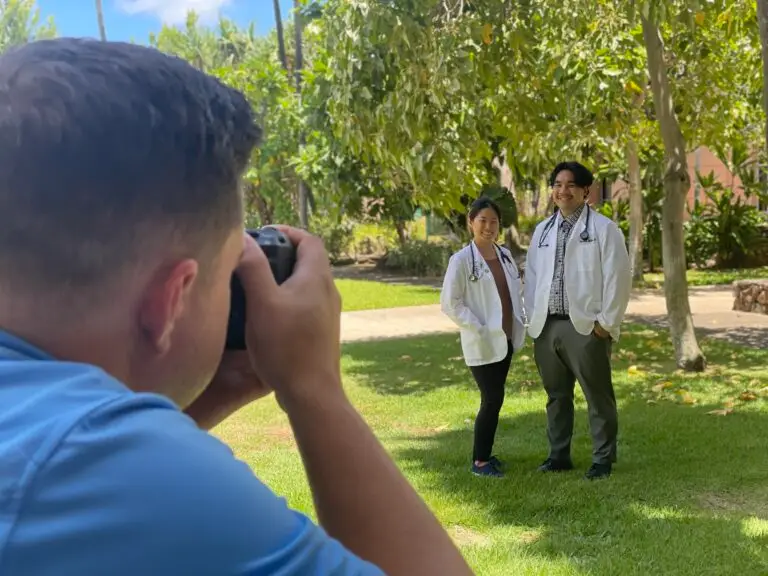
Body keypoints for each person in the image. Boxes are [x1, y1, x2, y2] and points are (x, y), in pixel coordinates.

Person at [0, 38, 474, 575]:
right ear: (171, 299)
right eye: (231, 269)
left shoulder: (54, 454)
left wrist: (213, 392)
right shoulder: (105, 465)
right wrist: (314, 388)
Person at [524, 161, 631, 480]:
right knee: (556, 397)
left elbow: (619, 279)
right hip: (547, 326)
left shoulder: (604, 230)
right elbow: (532, 278)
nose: (563, 191)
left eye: (571, 185)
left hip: (586, 328)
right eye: (557, 185)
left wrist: (606, 324)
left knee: (597, 396)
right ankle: (558, 456)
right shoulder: (542, 231)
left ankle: (602, 460)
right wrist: (533, 319)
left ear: (586, 190)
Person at [440, 197, 526, 478]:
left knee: (495, 399)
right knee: (491, 398)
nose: (489, 227)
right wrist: (478, 327)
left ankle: (486, 456)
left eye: (494, 222)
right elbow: (450, 303)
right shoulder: (461, 260)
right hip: (482, 340)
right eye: (483, 221)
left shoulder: (504, 255)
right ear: (471, 222)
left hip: (506, 338)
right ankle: (479, 462)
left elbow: (514, 291)